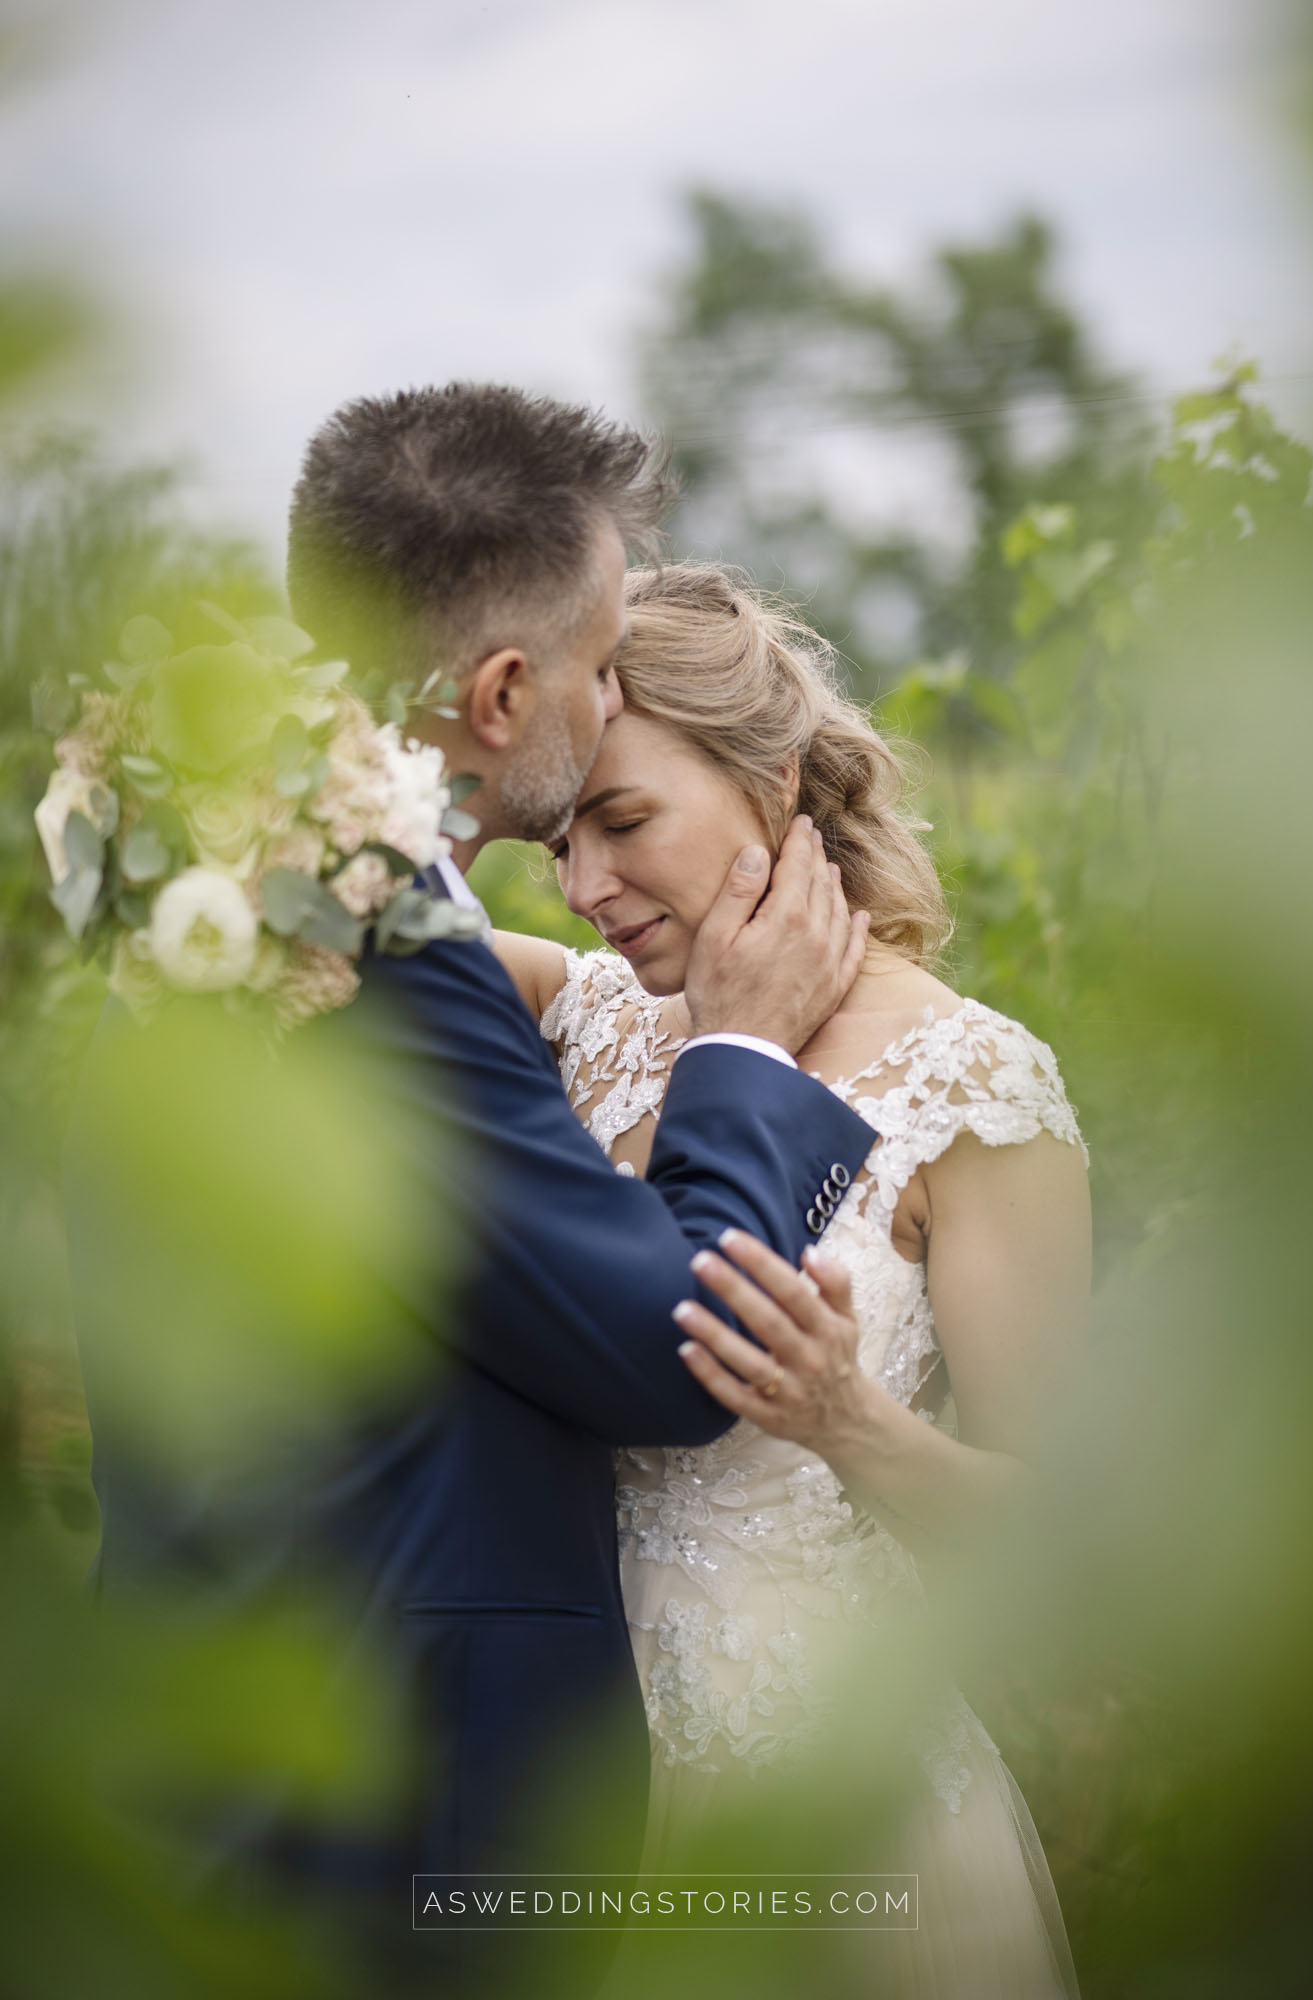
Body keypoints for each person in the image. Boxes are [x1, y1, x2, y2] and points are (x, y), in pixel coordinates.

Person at [62, 391, 879, 1990]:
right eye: (597, 661)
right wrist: (745, 1053)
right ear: (505, 692)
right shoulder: (367, 950)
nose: (614, 692)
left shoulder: (215, 898)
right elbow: (663, 1352)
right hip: (389, 1824)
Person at [495, 563, 1091, 1997]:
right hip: (575, 1792)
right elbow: (360, 911)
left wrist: (848, 1422)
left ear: (771, 778)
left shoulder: (972, 1085)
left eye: (622, 820)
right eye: (555, 840)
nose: (582, 890)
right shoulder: (584, 1021)